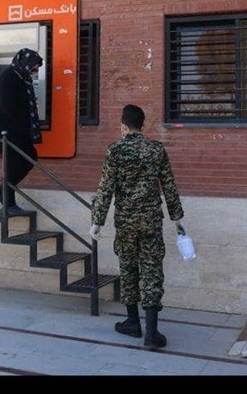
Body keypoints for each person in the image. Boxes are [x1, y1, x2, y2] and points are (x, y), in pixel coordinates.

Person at [89, 104, 185, 349]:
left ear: (123, 126)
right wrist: (177, 218)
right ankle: (151, 333)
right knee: (152, 270)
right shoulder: (156, 150)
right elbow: (169, 185)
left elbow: (106, 188)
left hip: (126, 222)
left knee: (128, 268)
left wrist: (97, 222)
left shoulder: (115, 150)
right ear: (142, 126)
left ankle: (132, 322)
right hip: (151, 221)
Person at [0, 47, 43, 211]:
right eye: (33, 68)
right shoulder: (8, 78)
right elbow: (8, 107)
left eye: (36, 69)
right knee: (16, 163)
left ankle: (4, 195)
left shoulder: (22, 78)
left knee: (26, 159)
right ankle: (6, 199)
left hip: (17, 130)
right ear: (25, 63)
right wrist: (21, 128)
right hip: (6, 130)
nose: (34, 72)